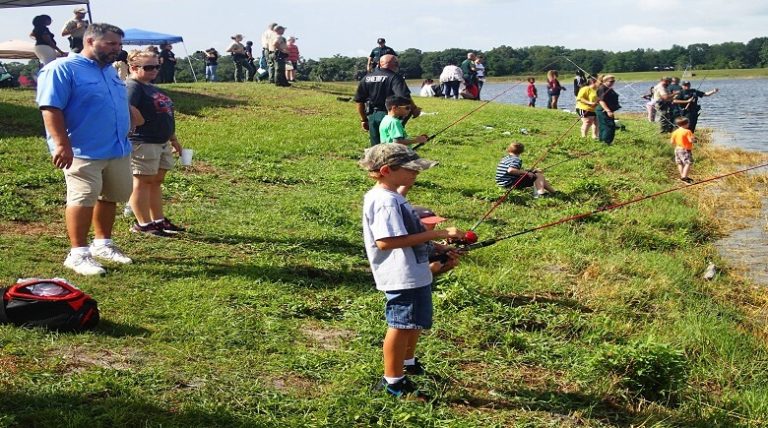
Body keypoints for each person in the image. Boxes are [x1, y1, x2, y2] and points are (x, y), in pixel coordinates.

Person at [359, 143, 467, 398]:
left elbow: (409, 235)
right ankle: (393, 381)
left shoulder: (394, 196)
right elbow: (385, 242)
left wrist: (436, 247)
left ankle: (407, 363)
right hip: (401, 275)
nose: (416, 174)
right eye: (410, 170)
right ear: (386, 170)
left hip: (414, 271)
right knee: (401, 324)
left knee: (413, 322)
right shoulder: (384, 201)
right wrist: (440, 231)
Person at [36, 23, 132, 276]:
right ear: (90, 41)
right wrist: (61, 144)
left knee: (110, 196)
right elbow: (50, 108)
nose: (117, 50)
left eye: (119, 45)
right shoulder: (62, 68)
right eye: (111, 44)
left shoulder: (110, 71)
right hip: (82, 149)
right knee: (82, 198)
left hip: (116, 148)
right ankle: (77, 253)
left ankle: (103, 244)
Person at [125, 49, 186, 237]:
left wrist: (173, 139)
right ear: (133, 67)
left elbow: (165, 114)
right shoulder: (133, 86)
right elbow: (125, 107)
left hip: (160, 142)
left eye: (157, 66)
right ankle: (143, 223)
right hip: (144, 142)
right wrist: (136, 120)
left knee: (156, 182)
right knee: (142, 183)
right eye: (149, 67)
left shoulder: (150, 87)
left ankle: (158, 220)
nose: (155, 70)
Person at [354, 54, 421, 146]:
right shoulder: (395, 77)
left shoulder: (366, 78)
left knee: (376, 147)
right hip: (389, 114)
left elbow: (359, 101)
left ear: (380, 64)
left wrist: (363, 119)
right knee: (393, 145)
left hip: (372, 116)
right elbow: (404, 98)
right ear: (396, 64)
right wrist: (414, 109)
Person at [412, 206, 461, 275]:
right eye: (428, 223)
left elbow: (428, 242)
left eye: (434, 222)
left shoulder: (425, 238)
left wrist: (442, 247)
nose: (433, 225)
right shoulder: (407, 246)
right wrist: (429, 271)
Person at [596, 74, 621, 145]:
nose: (613, 82)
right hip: (603, 110)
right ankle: (606, 142)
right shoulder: (602, 88)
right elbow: (601, 101)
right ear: (605, 81)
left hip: (606, 109)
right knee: (609, 125)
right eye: (611, 81)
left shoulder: (608, 88)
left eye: (614, 81)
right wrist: (608, 110)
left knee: (605, 125)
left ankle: (603, 141)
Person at [670, 116, 696, 183]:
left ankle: (682, 176)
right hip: (685, 149)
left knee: (680, 163)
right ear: (686, 124)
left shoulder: (675, 132)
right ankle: (684, 177)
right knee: (688, 163)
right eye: (688, 123)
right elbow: (690, 140)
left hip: (677, 149)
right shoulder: (688, 131)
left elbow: (672, 142)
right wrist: (694, 140)